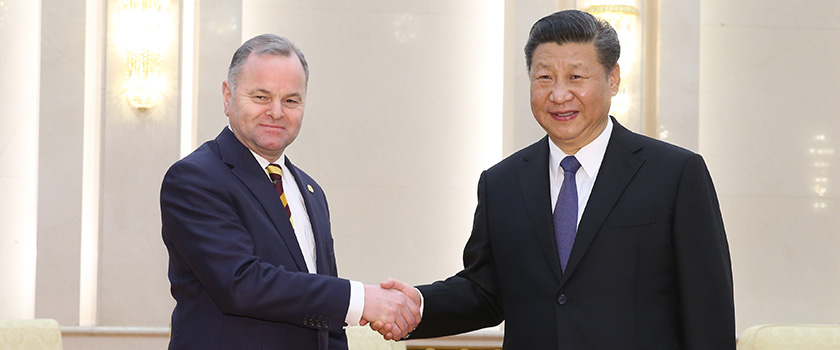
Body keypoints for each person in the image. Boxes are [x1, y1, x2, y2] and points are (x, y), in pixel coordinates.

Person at [380, 9, 736, 349]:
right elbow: (485, 291)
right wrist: (418, 305)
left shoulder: (675, 174)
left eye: (576, 77)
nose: (559, 94)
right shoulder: (501, 183)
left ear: (612, 79)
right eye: (545, 77)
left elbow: (707, 308)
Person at [160, 34, 419, 350]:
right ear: (227, 96)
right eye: (261, 97)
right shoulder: (195, 178)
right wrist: (362, 299)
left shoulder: (311, 192)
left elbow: (322, 318)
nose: (277, 112)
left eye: (291, 100)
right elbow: (242, 284)